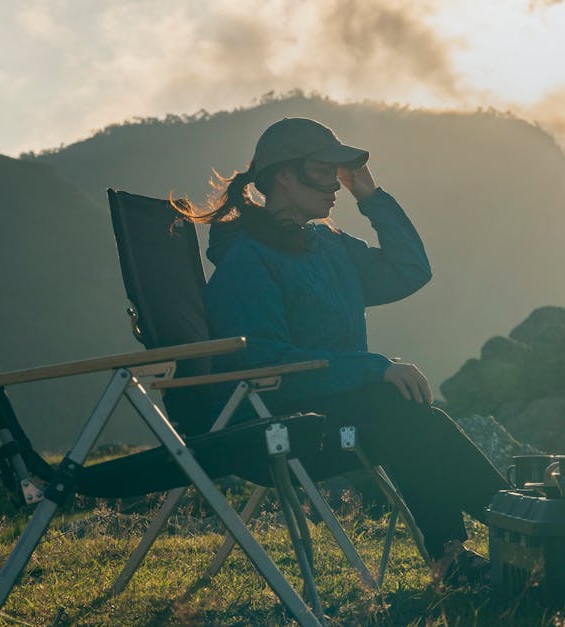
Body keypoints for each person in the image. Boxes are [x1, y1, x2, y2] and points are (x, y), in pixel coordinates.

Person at [172, 117, 507, 583]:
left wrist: (371, 198)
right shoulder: (247, 261)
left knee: (405, 412)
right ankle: (508, 529)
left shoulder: (326, 246)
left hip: (342, 424)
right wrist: (372, 368)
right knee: (399, 410)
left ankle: (504, 528)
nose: (335, 185)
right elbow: (264, 364)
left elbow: (409, 270)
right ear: (285, 177)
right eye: (323, 171)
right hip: (286, 434)